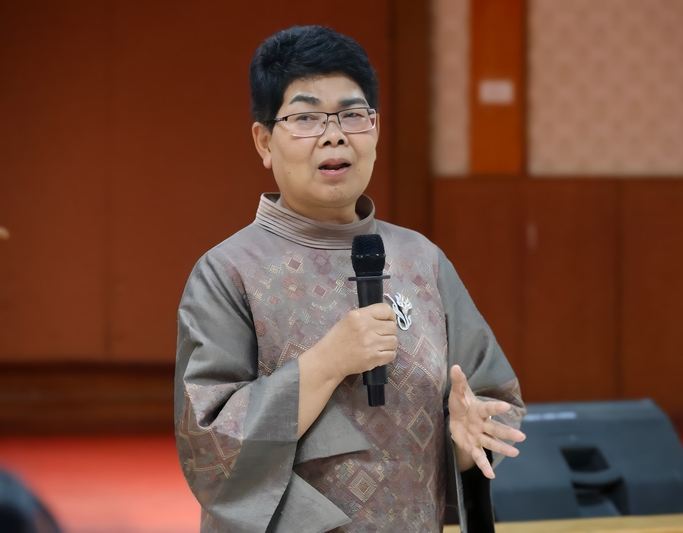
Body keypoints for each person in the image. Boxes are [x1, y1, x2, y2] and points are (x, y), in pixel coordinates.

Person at [174, 25, 526, 533]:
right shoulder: (228, 271)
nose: (334, 134)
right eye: (306, 118)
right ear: (264, 142)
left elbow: (493, 400)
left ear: (375, 131)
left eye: (353, 115)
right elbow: (210, 445)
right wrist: (327, 362)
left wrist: (467, 445)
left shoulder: (421, 260)